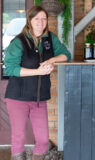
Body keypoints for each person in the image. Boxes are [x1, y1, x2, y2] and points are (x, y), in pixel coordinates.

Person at [4, 6, 71, 160]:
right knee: (19, 137)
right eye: (37, 18)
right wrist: (38, 72)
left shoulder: (50, 38)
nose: (41, 22)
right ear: (30, 20)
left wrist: (51, 60)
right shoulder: (19, 41)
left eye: (44, 18)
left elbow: (65, 55)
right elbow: (11, 68)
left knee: (42, 140)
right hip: (17, 97)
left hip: (39, 98)